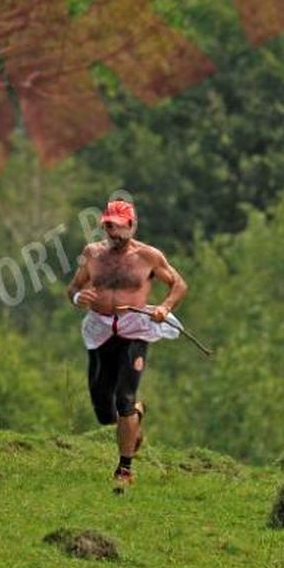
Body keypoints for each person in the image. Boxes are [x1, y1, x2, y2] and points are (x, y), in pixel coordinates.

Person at [65, 200, 188, 491]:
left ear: (131, 225)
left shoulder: (148, 256)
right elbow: (74, 286)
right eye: (107, 225)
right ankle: (136, 416)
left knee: (124, 398)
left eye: (117, 226)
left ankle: (124, 469)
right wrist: (77, 298)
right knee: (103, 409)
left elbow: (179, 284)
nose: (111, 231)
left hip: (135, 330)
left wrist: (166, 308)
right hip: (100, 330)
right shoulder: (92, 254)